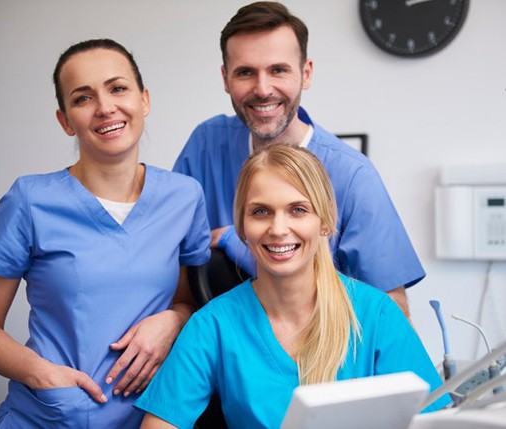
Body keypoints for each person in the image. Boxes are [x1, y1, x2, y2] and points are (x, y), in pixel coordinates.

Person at [135, 144, 450, 429]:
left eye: (298, 210)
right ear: (243, 227)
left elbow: (434, 420)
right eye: (261, 212)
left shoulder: (376, 316)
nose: (278, 228)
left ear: (324, 221)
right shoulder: (214, 324)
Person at [0, 39, 211, 428]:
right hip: (50, 417)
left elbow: (188, 301)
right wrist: (42, 376)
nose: (105, 107)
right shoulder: (29, 200)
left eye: (118, 88)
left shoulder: (184, 197)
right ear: (65, 120)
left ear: (144, 100)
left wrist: (174, 321)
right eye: (83, 98)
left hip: (151, 419)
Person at [173, 1, 424, 318]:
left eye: (278, 70)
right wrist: (174, 316)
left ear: (306, 73)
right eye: (246, 72)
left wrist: (234, 242)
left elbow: (392, 312)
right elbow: (168, 257)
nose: (263, 90)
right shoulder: (206, 145)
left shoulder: (352, 175)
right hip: (223, 349)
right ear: (225, 78)